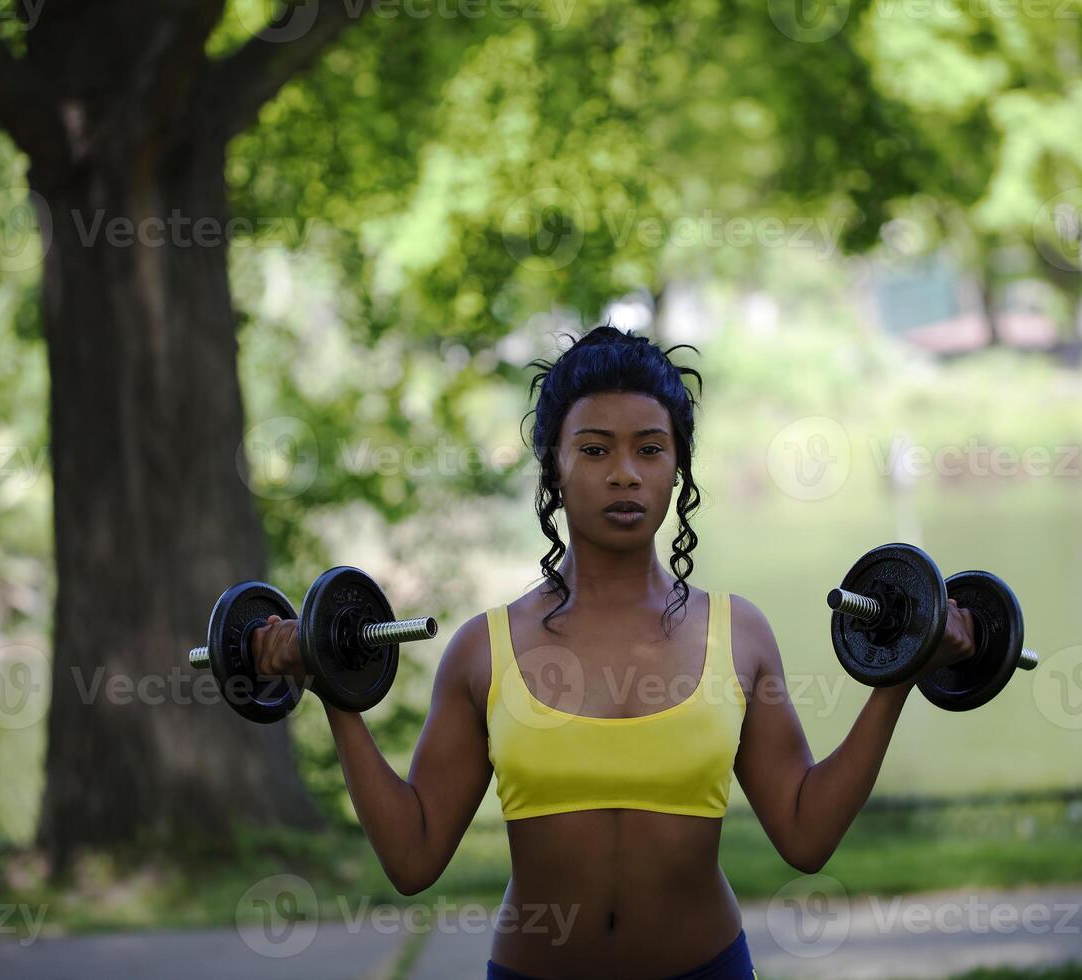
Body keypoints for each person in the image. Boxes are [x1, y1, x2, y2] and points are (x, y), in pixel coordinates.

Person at [251, 324, 975, 979]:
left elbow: (806, 835)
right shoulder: (484, 650)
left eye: (650, 449)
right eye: (594, 449)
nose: (624, 473)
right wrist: (334, 695)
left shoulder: (740, 634)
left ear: (677, 469)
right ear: (555, 468)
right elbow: (411, 858)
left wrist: (897, 679)